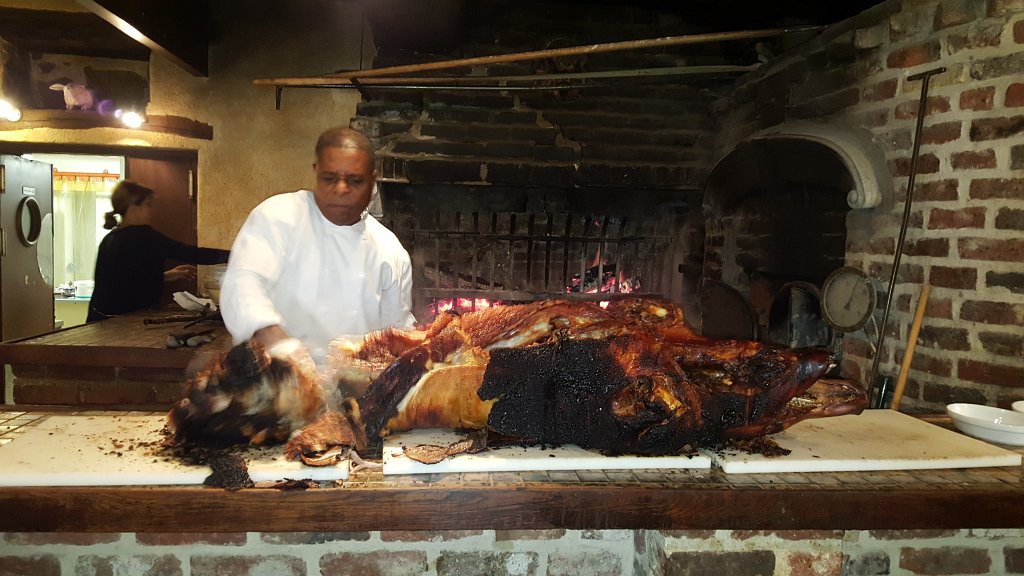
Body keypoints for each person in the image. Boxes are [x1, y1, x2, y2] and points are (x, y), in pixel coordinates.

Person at [220, 126, 415, 363]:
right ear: (316, 172)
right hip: (277, 376)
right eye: (329, 178)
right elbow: (242, 283)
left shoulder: (390, 250)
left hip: (356, 381)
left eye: (355, 181)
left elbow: (396, 333)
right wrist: (276, 341)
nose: (341, 189)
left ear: (372, 180)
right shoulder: (278, 218)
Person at [86, 180, 231, 322]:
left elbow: (125, 280)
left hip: (99, 320)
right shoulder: (142, 236)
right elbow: (191, 253)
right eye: (148, 205)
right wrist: (236, 256)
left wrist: (166, 276)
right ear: (133, 207)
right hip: (120, 323)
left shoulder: (111, 238)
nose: (153, 210)